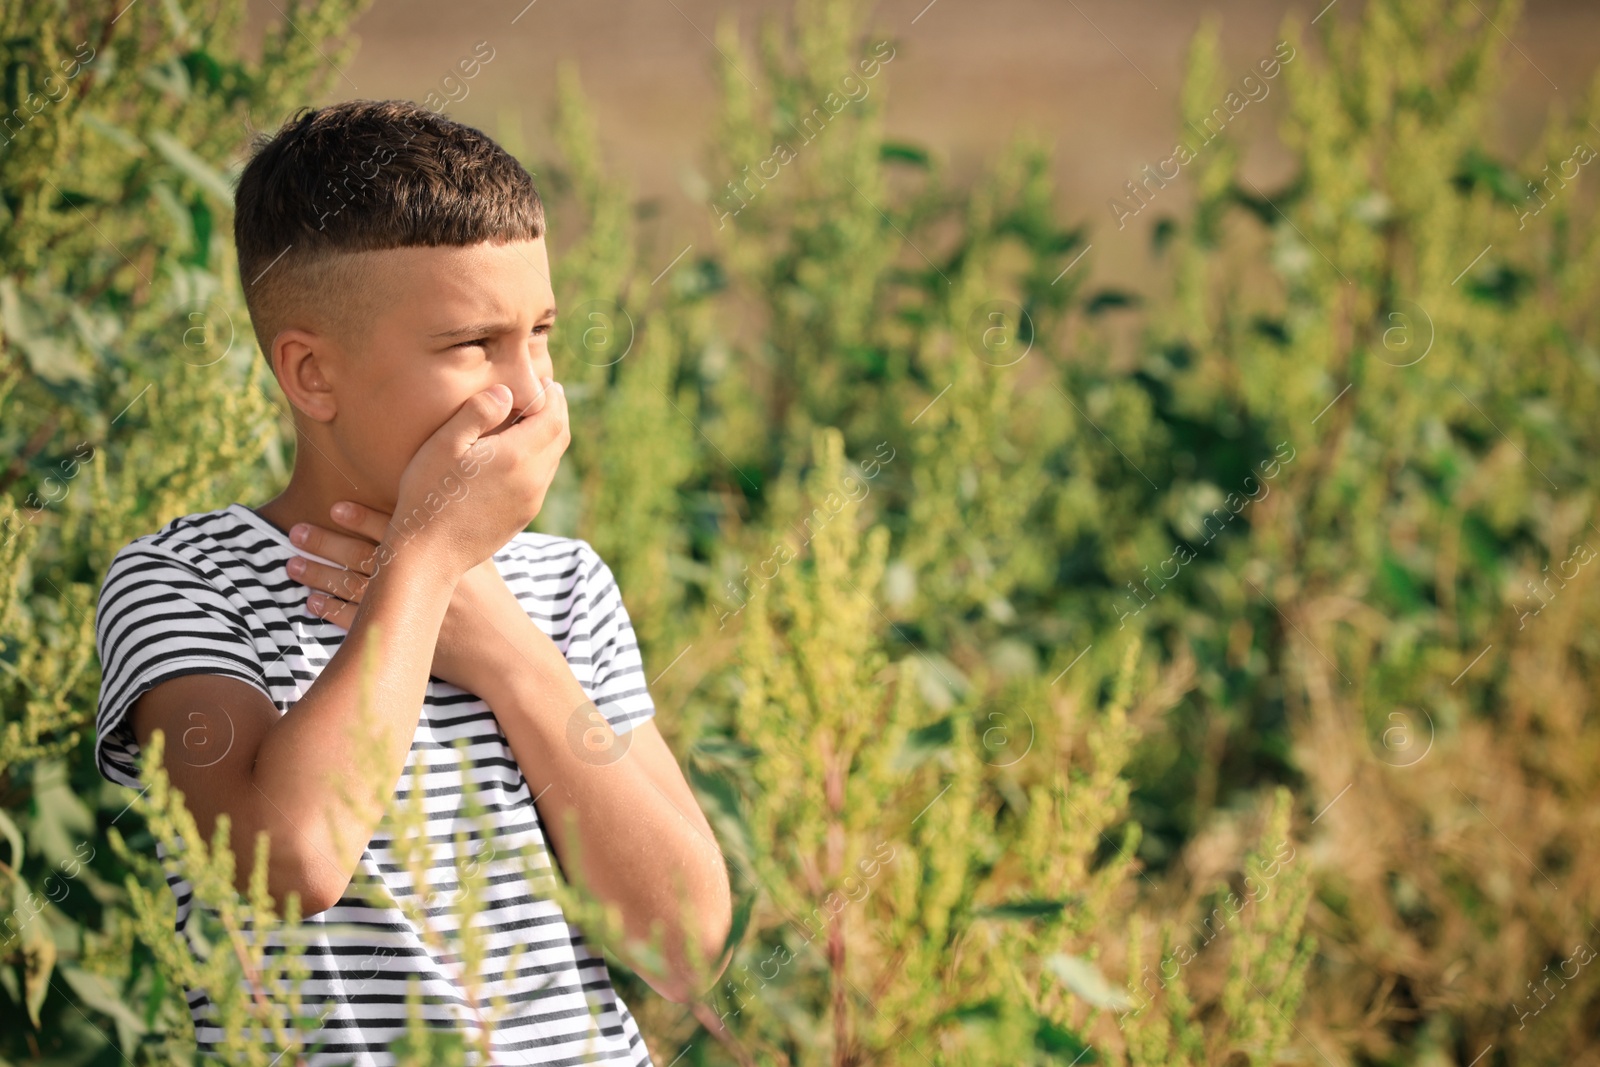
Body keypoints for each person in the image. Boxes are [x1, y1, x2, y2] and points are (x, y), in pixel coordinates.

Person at [92, 98, 732, 1066]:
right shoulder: (183, 583)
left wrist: (512, 658)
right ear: (312, 375)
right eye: (472, 344)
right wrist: (424, 564)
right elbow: (287, 860)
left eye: (542, 333)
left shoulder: (561, 584)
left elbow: (681, 944)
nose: (527, 390)